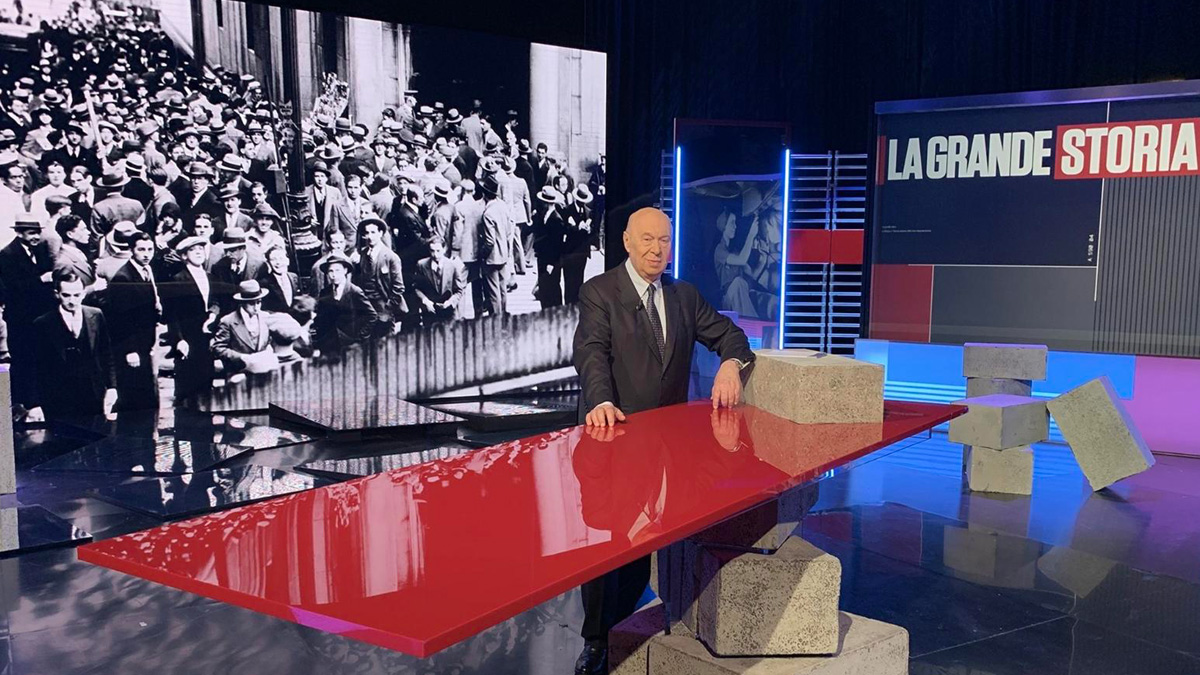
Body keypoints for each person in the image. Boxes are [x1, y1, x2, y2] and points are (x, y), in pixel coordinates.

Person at [570, 207, 755, 675]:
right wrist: (600, 400)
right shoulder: (600, 292)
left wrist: (731, 364)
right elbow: (590, 352)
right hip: (612, 440)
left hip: (666, 450)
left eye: (664, 241)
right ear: (628, 242)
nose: (656, 250)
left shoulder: (684, 296)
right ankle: (595, 641)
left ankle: (623, 627)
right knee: (605, 546)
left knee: (644, 540)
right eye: (648, 240)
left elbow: (732, 337)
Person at [26, 271, 117, 420]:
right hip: (58, 397)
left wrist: (112, 387)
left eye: (76, 295)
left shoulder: (96, 315)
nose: (72, 301)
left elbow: (106, 354)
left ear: (83, 293)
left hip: (93, 394)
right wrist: (35, 403)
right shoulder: (43, 323)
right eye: (66, 295)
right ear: (57, 294)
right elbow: (34, 365)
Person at [0, 214, 56, 410]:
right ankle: (25, 402)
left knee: (39, 357)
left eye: (38, 232)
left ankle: (39, 399)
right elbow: (11, 290)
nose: (36, 237)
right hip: (21, 319)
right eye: (32, 233)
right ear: (19, 233)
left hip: (40, 316)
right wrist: (40, 280)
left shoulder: (39, 250)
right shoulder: (6, 256)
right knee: (24, 359)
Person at [106, 231, 162, 411]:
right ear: (132, 250)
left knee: (145, 395)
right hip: (132, 349)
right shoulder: (123, 278)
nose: (146, 254)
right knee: (133, 397)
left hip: (144, 344)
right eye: (141, 249)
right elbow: (119, 319)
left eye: (150, 249)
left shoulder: (147, 271)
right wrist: (130, 350)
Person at [163, 236, 216, 403]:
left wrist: (213, 315)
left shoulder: (209, 276)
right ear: (184, 256)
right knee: (188, 384)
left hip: (206, 336)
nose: (198, 252)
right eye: (193, 250)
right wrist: (178, 340)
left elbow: (215, 301)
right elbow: (172, 314)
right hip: (188, 337)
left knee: (206, 380)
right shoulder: (178, 279)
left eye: (201, 249)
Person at [311, 253, 377, 355]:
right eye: (331, 271)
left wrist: (360, 338)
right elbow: (321, 317)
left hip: (350, 343)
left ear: (345, 271)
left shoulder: (354, 291)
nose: (334, 275)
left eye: (337, 270)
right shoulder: (325, 292)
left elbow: (372, 316)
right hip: (329, 344)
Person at [211, 279, 280, 374]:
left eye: (259, 302)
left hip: (263, 371)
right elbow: (218, 348)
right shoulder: (228, 321)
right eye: (251, 303)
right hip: (238, 372)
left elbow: (273, 341)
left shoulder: (266, 317)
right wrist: (242, 357)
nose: (256, 307)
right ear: (242, 302)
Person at [356, 217, 407, 332]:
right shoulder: (363, 254)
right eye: (367, 233)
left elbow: (399, 287)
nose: (370, 236)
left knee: (385, 338)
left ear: (380, 233)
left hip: (384, 307)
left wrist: (389, 306)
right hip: (367, 307)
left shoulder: (390, 257)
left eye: (373, 232)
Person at [478, 173, 510, 316]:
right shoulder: (502, 206)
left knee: (493, 291)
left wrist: (482, 255)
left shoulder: (488, 213)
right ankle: (504, 315)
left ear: (485, 194)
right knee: (502, 288)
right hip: (503, 254)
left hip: (492, 257)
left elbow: (489, 241)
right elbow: (508, 230)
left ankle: (497, 318)